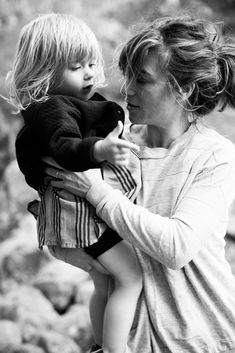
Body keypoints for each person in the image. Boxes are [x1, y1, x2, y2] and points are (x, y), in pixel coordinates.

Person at [41, 15, 235, 352]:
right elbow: (90, 230)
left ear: (183, 89)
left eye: (143, 80)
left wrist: (94, 191)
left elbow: (176, 247)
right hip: (130, 342)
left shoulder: (214, 157)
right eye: (128, 75)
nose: (127, 89)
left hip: (203, 339)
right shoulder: (111, 145)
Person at [7, 13, 143, 353]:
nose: (89, 73)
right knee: (131, 277)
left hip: (77, 216)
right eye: (75, 66)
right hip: (80, 218)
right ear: (45, 72)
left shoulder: (71, 103)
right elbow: (66, 149)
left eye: (91, 63)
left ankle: (100, 343)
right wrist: (100, 149)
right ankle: (116, 348)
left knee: (104, 280)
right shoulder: (53, 109)